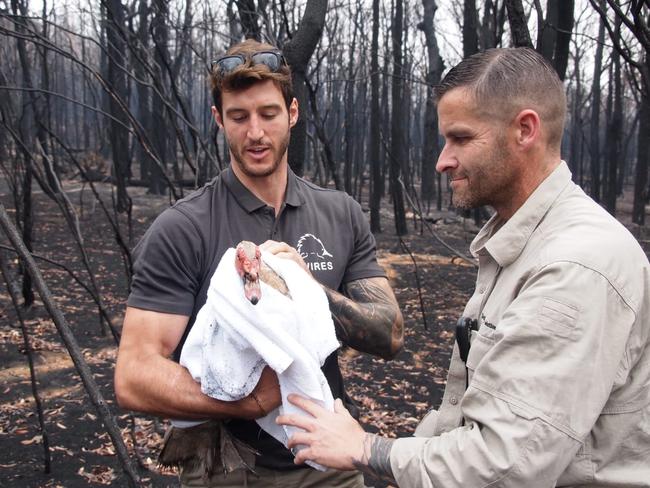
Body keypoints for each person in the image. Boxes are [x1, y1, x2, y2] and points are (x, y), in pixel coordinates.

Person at [277, 47, 650, 487]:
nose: (442, 160)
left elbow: (506, 465)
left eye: (461, 138)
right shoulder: (522, 243)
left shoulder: (575, 265)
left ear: (525, 130)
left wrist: (366, 449)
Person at [114, 38, 404, 487]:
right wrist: (248, 402)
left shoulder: (340, 213)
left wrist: (308, 292)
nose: (255, 133)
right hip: (227, 469)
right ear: (218, 120)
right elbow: (134, 376)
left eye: (268, 113)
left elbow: (390, 334)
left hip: (328, 462)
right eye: (238, 116)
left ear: (292, 112)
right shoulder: (184, 227)